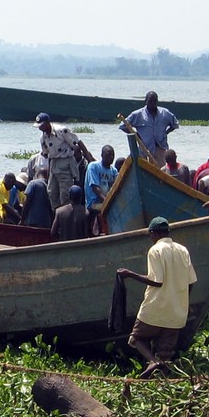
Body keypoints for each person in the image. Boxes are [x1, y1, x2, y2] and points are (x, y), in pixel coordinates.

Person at [118, 216, 197, 378]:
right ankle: (162, 380)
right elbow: (190, 282)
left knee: (136, 338)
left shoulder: (155, 250)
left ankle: (152, 361)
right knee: (166, 354)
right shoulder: (183, 250)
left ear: (154, 233)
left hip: (156, 307)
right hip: (176, 311)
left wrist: (130, 274)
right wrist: (185, 302)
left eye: (150, 234)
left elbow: (156, 281)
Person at [36, 112, 94, 208]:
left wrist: (90, 161)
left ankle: (66, 215)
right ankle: (57, 215)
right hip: (54, 163)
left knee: (65, 194)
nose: (40, 128)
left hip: (66, 162)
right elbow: (48, 155)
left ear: (47, 123)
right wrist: (49, 173)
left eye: (41, 125)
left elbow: (78, 142)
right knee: (51, 192)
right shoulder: (43, 138)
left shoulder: (62, 131)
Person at [121, 91, 179, 166]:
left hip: (160, 148)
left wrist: (166, 132)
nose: (152, 103)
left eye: (154, 101)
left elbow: (175, 124)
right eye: (150, 101)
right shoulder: (138, 114)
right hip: (144, 148)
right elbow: (123, 126)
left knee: (161, 171)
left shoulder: (164, 113)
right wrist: (136, 134)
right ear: (145, 101)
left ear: (157, 101)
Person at [84, 144, 118, 229]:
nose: (111, 157)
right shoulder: (93, 166)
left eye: (112, 155)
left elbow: (117, 186)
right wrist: (107, 201)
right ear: (102, 155)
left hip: (107, 201)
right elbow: (95, 188)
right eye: (108, 154)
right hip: (94, 202)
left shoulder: (113, 171)